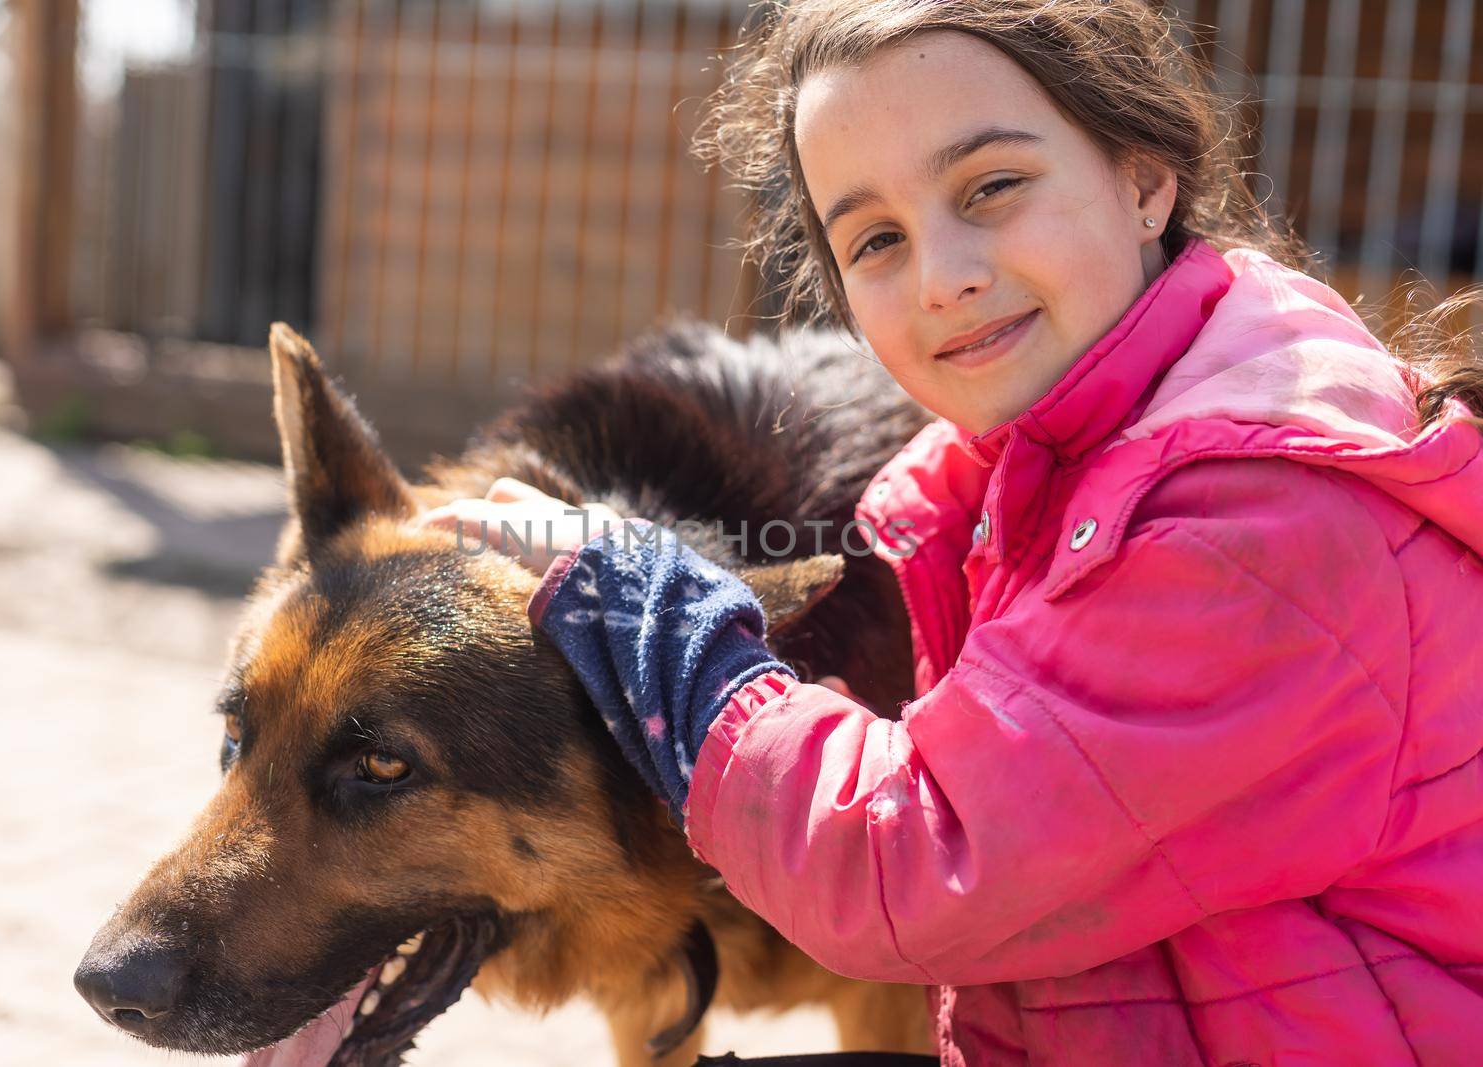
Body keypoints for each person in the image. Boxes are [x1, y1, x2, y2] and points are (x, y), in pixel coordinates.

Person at [418, 2, 1483, 1063]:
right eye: (876, 239)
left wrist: (653, 613)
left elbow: (916, 861)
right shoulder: (1067, 449)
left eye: (992, 187)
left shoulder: (1243, 518)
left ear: (1144, 177)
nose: (942, 278)